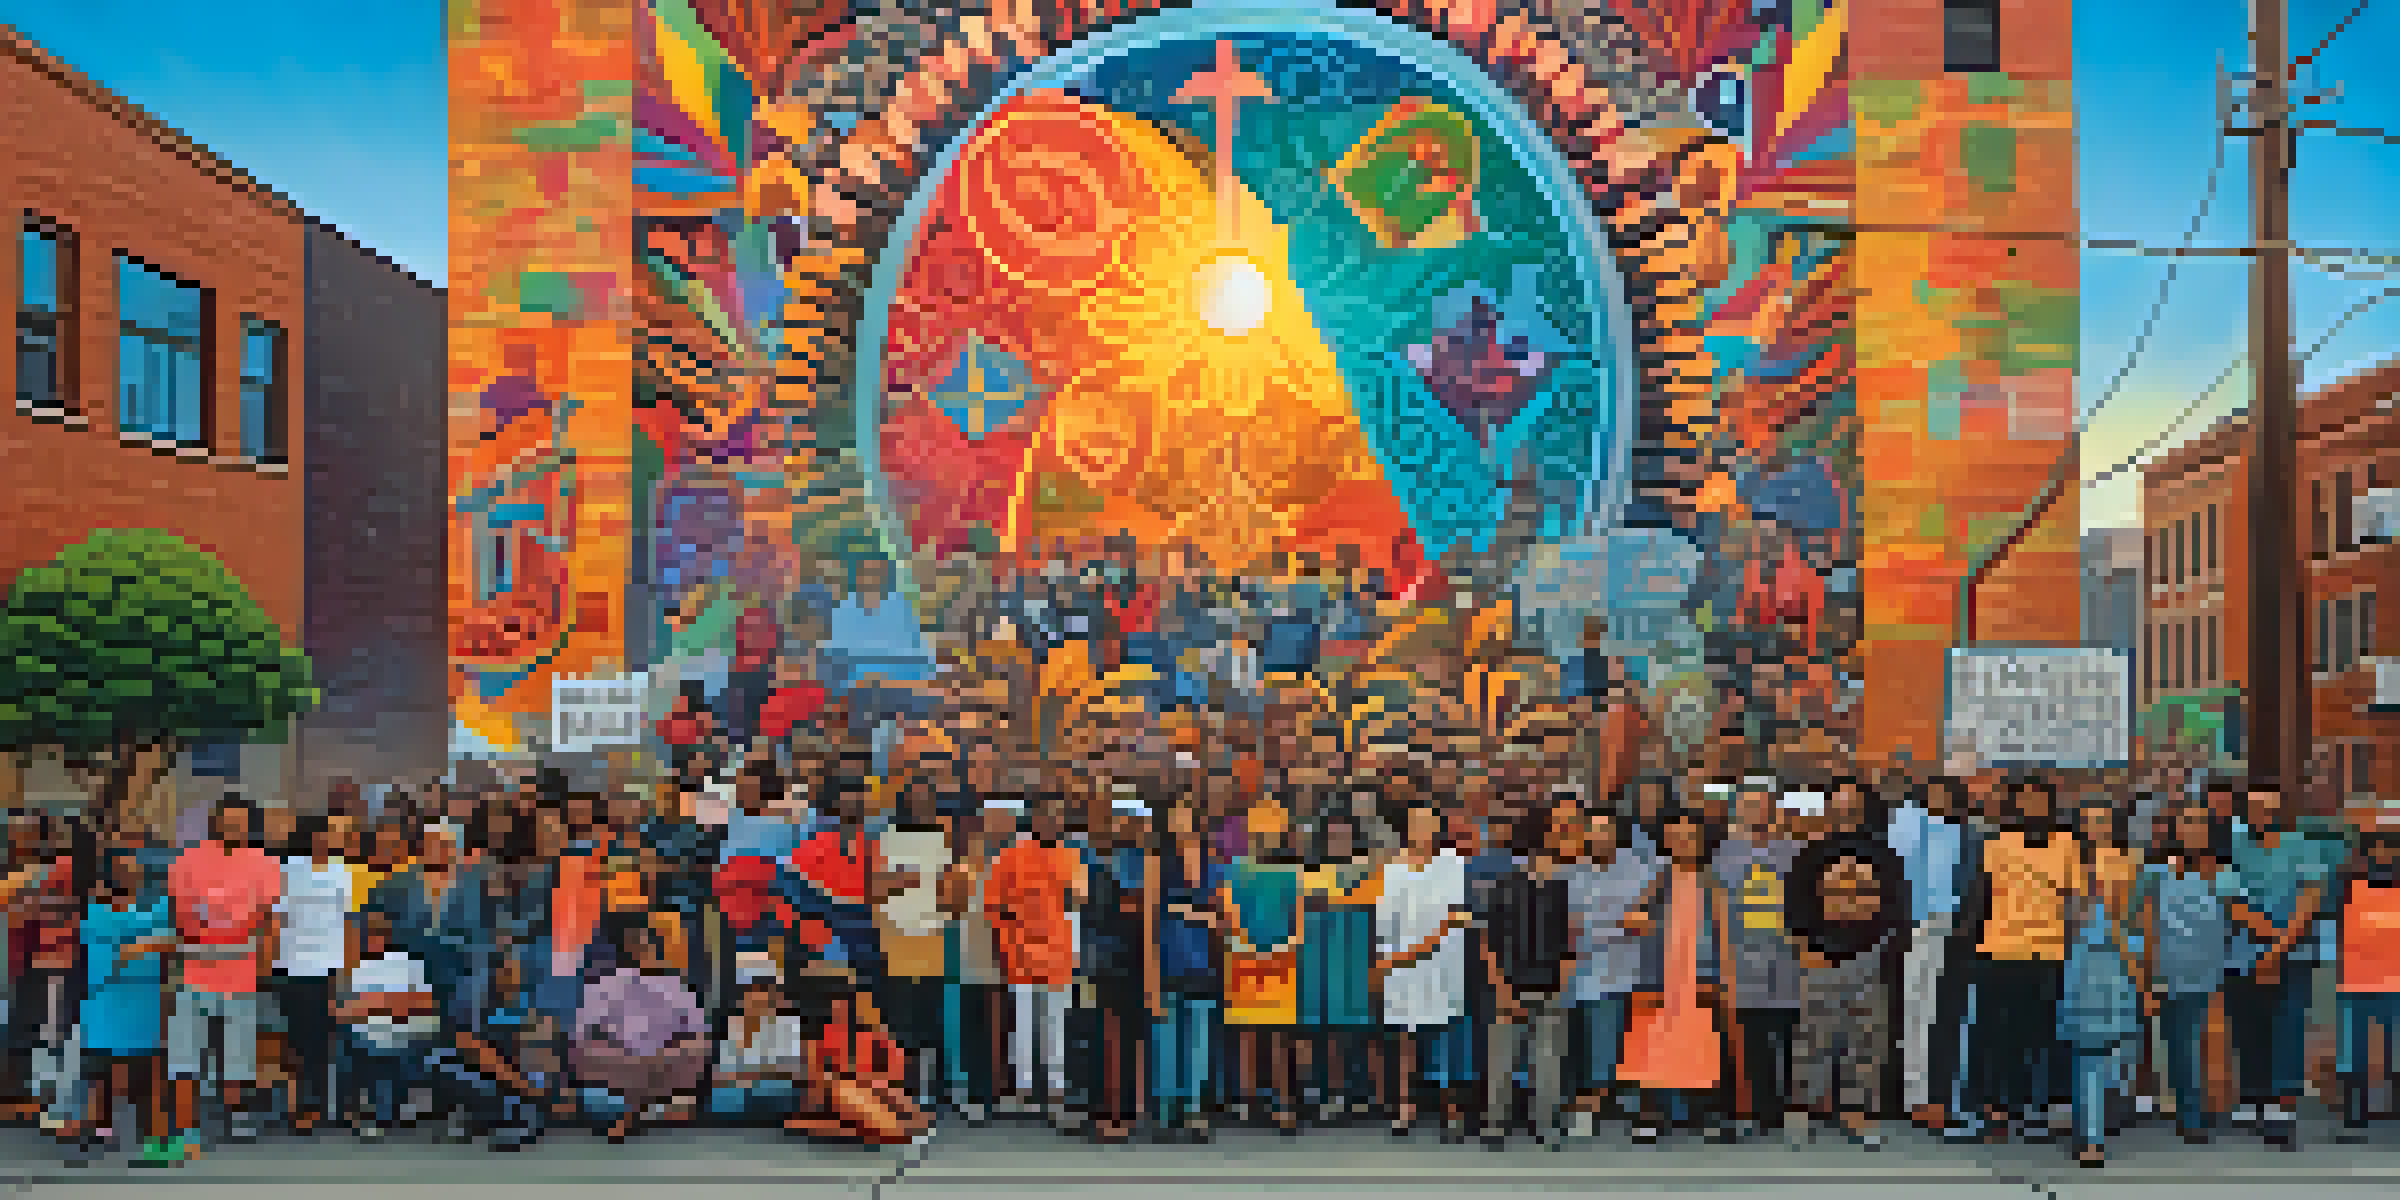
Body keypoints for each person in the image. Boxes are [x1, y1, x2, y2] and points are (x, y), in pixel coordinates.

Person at [1955, 776, 2076, 1142]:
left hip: (2047, 953)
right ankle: (1995, 1113)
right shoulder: (1997, 844)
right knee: (1995, 1037)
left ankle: (2032, 1111)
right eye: (2024, 801)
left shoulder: (2066, 844)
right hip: (1999, 951)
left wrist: (2068, 946)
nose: (2031, 807)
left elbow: (2072, 902)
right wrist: (1971, 947)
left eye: (2038, 800)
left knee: (2038, 1038)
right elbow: (1981, 898)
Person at [165, 797, 284, 1148]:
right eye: (227, 821)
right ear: (214, 823)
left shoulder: (265, 862)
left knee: (239, 1050)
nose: (234, 828)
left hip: (243, 972)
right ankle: (186, 1125)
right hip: (195, 971)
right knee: (186, 1052)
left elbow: (269, 919)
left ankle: (238, 1116)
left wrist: (266, 960)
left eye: (240, 823)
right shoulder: (186, 862)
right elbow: (181, 918)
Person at [2224, 782, 2335, 1148]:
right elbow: (2226, 897)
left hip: (2294, 953)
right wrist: (2265, 944)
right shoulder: (2231, 846)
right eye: (2256, 807)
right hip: (2240, 952)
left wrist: (2275, 951)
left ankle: (2281, 1108)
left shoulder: (2305, 847)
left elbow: (2310, 900)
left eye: (2270, 808)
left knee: (2287, 1027)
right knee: (2247, 1027)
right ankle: (2252, 1098)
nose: (2263, 815)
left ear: (2282, 811)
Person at [1619, 804, 1737, 1145]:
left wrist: (1726, 977)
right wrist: (1642, 922)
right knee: (1653, 1046)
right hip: (1659, 975)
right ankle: (1648, 1118)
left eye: (1690, 835)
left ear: (1702, 839)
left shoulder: (1712, 881)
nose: (1683, 841)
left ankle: (1710, 1116)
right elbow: (1633, 919)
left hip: (1702, 975)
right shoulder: (1657, 880)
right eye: (1676, 835)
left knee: (1705, 1047)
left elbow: (1724, 931)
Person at [1784, 830, 1909, 1150]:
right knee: (1812, 1038)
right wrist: (1803, 947)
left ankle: (1859, 1114)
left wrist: (1885, 949)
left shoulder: (1882, 851)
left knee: (1867, 1041)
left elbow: (1896, 903)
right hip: (1819, 957)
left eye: (1852, 802)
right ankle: (1803, 1112)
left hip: (1870, 955)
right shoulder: (1811, 853)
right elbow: (1793, 901)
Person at [2138, 794, 2240, 1146]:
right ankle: (2179, 1112)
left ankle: (2199, 1112)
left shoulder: (2223, 872)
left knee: (2199, 1044)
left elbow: (2232, 920)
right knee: (2174, 1044)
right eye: (2186, 822)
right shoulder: (2155, 871)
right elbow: (2146, 920)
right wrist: (2148, 971)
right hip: (2164, 967)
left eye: (2199, 822)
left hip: (2206, 970)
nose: (2192, 830)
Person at [1373, 781, 1472, 1140]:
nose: (1422, 830)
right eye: (1416, 824)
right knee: (1405, 1039)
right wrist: (1390, 961)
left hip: (1443, 963)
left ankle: (1451, 1108)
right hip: (1402, 964)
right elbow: (1386, 922)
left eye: (1428, 823)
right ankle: (1405, 1107)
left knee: (1445, 1035)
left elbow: (1458, 914)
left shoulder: (1453, 864)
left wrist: (1431, 944)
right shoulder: (1394, 868)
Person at [1481, 796, 1580, 1150]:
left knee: (1548, 1062)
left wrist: (1561, 985)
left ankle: (1546, 1125)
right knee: (1502, 1061)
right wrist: (1502, 989)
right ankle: (1495, 1125)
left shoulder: (1565, 886)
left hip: (1550, 987)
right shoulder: (1505, 885)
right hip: (1510, 985)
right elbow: (1489, 942)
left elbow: (1570, 941)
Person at [985, 791, 1087, 1126]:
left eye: (1057, 815)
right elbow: (992, 905)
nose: (1051, 821)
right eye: (1045, 814)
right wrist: (1015, 923)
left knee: (1055, 1024)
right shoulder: (1011, 856)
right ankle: (1024, 1089)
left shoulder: (1072, 857)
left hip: (1058, 954)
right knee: (1023, 1024)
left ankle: (1056, 1089)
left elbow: (1079, 903)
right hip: (1020, 954)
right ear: (1034, 817)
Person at [1714, 778, 1803, 1143]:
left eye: (1762, 804)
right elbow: (1718, 908)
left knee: (1786, 1035)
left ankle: (1783, 1110)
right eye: (1749, 805)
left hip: (1786, 959)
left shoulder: (1795, 850)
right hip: (1741, 958)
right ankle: (1745, 1111)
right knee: (1745, 1038)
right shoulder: (1724, 853)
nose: (1756, 811)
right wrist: (1722, 957)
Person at [571, 913, 713, 1143]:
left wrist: (664, 1054)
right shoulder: (604, 986)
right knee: (598, 1089)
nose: (642, 952)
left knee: (689, 1056)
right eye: (635, 946)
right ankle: (645, 1109)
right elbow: (582, 1037)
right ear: (626, 951)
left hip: (664, 1063)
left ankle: (633, 1113)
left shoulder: (677, 987)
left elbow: (700, 1036)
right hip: (620, 1067)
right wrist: (621, 1054)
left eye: (646, 945)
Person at [1564, 796, 1657, 1140]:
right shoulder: (1573, 870)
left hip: (1625, 973)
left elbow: (1642, 922)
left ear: (1618, 834)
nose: (1599, 836)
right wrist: (1614, 925)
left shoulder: (1640, 869)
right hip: (1579, 974)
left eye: (1606, 830)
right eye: (1594, 830)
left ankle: (1635, 1114)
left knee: (1624, 1048)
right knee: (1586, 1048)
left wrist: (1603, 926)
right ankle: (1588, 1109)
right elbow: (1569, 924)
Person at [76, 847, 175, 1165]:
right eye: (123, 868)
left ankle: (151, 1143)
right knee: (101, 1077)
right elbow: (112, 959)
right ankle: (95, 1135)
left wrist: (139, 942)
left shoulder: (156, 908)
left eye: (134, 868)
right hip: (105, 1008)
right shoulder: (95, 915)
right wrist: (142, 941)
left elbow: (169, 940)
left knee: (146, 1076)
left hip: (143, 1007)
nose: (130, 874)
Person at [1222, 801, 1308, 1132]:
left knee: (1278, 1036)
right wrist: (1244, 945)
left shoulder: (1291, 871)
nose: (1265, 837)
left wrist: (1286, 947)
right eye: (1260, 831)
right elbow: (1230, 914)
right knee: (1247, 1034)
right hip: (1244, 959)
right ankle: (1248, 1102)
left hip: (1281, 962)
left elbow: (1298, 920)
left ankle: (1283, 1103)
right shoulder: (1236, 869)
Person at [1888, 774, 1968, 1130]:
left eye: (1946, 794)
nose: (1939, 799)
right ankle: (1915, 1095)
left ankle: (1948, 1094)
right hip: (1915, 926)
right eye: (1931, 792)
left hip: (1957, 931)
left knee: (1951, 1014)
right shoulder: (1906, 822)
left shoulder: (1968, 834)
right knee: (1916, 1009)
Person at [1295, 804, 1380, 1126]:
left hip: (1355, 962)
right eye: (1333, 836)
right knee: (1317, 1032)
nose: (1339, 841)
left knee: (1354, 1032)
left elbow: (1376, 918)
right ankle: (1319, 1094)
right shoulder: (1308, 872)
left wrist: (1375, 964)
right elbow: (1300, 917)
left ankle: (1355, 1095)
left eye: (1345, 835)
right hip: (1316, 963)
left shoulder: (1370, 870)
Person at [271, 813, 353, 1136]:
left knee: (325, 1042)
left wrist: (347, 966)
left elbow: (346, 921)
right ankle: (297, 1107)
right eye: (320, 835)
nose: (326, 840)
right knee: (297, 1042)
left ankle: (321, 1107)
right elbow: (276, 921)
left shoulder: (340, 871)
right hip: (293, 965)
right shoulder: (285, 872)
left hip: (330, 967)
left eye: (329, 835)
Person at [1150, 793, 1224, 1142]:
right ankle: (1166, 1115)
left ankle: (1197, 1113)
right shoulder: (1158, 864)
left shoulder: (1215, 865)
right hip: (1167, 964)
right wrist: (1150, 981)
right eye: (1175, 816)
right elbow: (1150, 924)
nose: (1181, 823)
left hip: (1205, 966)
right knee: (1166, 1042)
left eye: (1187, 815)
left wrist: (1197, 915)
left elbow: (1224, 919)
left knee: (1199, 1044)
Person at [338, 909, 447, 1140]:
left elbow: (425, 1004)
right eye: (370, 935)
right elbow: (347, 1011)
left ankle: (385, 1113)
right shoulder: (359, 969)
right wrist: (391, 1002)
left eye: (379, 935)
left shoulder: (407, 963)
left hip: (404, 1029)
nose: (375, 940)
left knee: (385, 1048)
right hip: (372, 1031)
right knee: (366, 1047)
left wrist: (378, 1003)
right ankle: (379, 1113)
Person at [2333, 816, 2400, 1142]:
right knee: (2352, 1047)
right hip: (2356, 974)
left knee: (2397, 1045)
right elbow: (2334, 920)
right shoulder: (2346, 878)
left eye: (2390, 845)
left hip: (2395, 975)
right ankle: (2354, 1112)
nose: (2383, 852)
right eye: (2377, 845)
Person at [710, 976, 813, 1123]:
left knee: (773, 1090)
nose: (754, 1000)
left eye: (761, 993)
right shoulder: (735, 1023)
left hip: (775, 1086)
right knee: (722, 1095)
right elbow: (724, 1069)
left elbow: (791, 1069)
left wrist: (749, 1075)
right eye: (750, 993)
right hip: (740, 1087)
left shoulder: (788, 1024)